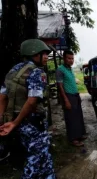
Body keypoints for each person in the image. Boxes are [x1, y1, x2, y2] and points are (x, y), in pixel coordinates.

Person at [0, 39, 56, 178]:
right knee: (35, 160)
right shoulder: (37, 72)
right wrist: (14, 123)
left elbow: (2, 97)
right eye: (44, 54)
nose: (46, 57)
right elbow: (32, 101)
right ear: (34, 54)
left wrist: (3, 119)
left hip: (19, 123)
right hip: (32, 123)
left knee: (44, 153)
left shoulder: (13, 70)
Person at [56, 50, 87, 147]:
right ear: (64, 58)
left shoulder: (71, 69)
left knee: (78, 116)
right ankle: (73, 139)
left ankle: (79, 135)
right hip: (68, 96)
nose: (71, 60)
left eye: (72, 58)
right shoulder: (60, 70)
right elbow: (60, 86)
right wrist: (65, 100)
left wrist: (78, 95)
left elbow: (72, 83)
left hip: (75, 95)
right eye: (69, 58)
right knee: (71, 118)